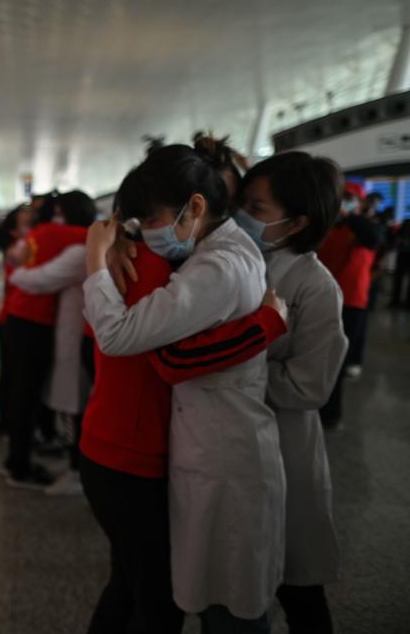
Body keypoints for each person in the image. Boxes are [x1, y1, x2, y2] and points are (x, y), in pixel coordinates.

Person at [83, 143, 287, 631]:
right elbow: (165, 357)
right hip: (135, 451)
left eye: (150, 220)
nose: (148, 232)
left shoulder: (210, 265)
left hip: (185, 452)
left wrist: (98, 251)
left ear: (196, 206)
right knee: (155, 595)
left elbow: (161, 354)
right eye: (139, 222)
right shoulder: (169, 259)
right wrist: (265, 325)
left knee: (177, 593)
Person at [233, 151, 347, 633]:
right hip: (233, 440)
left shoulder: (315, 286)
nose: (243, 217)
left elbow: (309, 385)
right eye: (244, 204)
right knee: (237, 575)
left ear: (297, 221)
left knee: (297, 586)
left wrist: (234, 370)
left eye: (257, 209)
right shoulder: (238, 259)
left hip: (284, 445)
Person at [8, 190, 97, 496]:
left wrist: (16, 273)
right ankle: (67, 461)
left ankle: (76, 467)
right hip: (65, 329)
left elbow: (42, 277)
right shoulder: (86, 241)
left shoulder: (79, 245)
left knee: (75, 400)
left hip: (72, 332)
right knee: (66, 398)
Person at [318, 181, 382, 426]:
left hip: (352, 301)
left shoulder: (365, 228)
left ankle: (331, 415)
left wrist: (349, 216)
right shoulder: (329, 227)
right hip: (324, 297)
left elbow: (374, 238)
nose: (344, 201)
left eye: (349, 197)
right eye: (341, 197)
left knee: (337, 360)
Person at [0, 205, 31, 438]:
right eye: (26, 224)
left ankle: (6, 422)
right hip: (10, 319)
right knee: (10, 375)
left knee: (9, 374)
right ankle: (5, 422)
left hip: (10, 317)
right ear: (13, 231)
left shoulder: (24, 246)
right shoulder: (16, 251)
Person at [391, 219, 410, 308]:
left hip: (403, 253)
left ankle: (397, 301)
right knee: (398, 278)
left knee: (398, 278)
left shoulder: (406, 222)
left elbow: (397, 237)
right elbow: (397, 237)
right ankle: (398, 301)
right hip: (403, 253)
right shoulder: (406, 222)